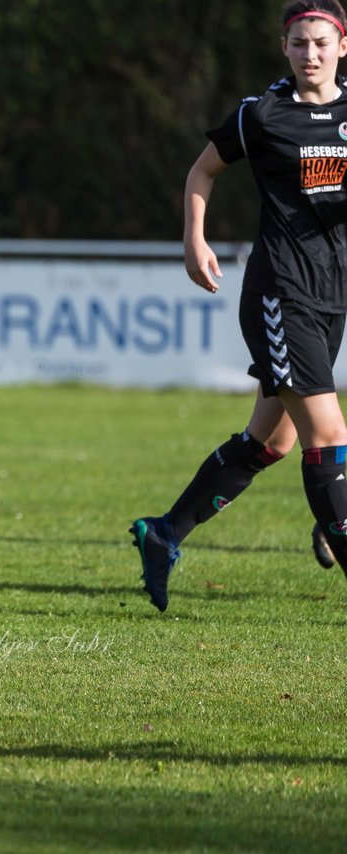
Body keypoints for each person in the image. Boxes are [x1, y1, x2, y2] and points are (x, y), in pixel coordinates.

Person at [132, 0, 347, 612]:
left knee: (271, 441)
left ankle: (164, 532)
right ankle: (338, 518)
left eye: (322, 43)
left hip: (333, 294)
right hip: (282, 292)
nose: (311, 54)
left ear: (343, 46)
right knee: (328, 438)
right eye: (300, 43)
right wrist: (193, 238)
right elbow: (203, 173)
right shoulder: (263, 114)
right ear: (285, 47)